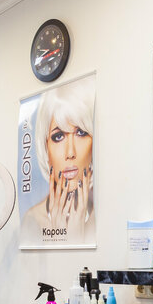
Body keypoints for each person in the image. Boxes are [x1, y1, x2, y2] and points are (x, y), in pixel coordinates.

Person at [20, 77, 96, 243]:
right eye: (58, 136)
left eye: (81, 132)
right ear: (45, 146)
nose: (70, 152)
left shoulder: (104, 217)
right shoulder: (32, 221)